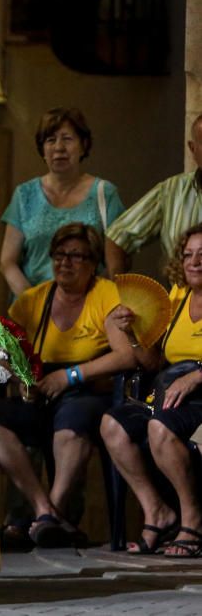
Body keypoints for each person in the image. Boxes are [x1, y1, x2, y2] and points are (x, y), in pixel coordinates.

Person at [0, 223, 136, 548]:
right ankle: (44, 512)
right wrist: (23, 380)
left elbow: (125, 357)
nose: (65, 262)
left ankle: (48, 513)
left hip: (88, 389)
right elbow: (3, 349)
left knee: (73, 420)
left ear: (93, 262)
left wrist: (71, 376)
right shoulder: (33, 300)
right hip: (39, 390)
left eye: (76, 256)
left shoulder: (106, 294)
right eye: (59, 255)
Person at [101, 223, 202, 555]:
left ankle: (193, 520)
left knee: (160, 427)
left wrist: (197, 375)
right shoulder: (176, 296)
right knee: (112, 424)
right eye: (188, 255)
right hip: (170, 394)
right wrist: (132, 335)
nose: (194, 261)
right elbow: (153, 362)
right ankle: (157, 510)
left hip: (197, 397)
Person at [0, 107, 124, 296]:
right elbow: (8, 262)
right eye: (51, 140)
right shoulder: (24, 195)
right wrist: (32, 301)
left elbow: (116, 265)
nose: (59, 147)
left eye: (67, 139)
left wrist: (90, 303)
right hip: (32, 312)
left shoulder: (105, 194)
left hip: (88, 311)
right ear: (42, 149)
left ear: (83, 145)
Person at [106, 113, 202, 277]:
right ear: (192, 149)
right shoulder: (171, 191)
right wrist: (119, 294)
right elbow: (117, 237)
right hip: (181, 299)